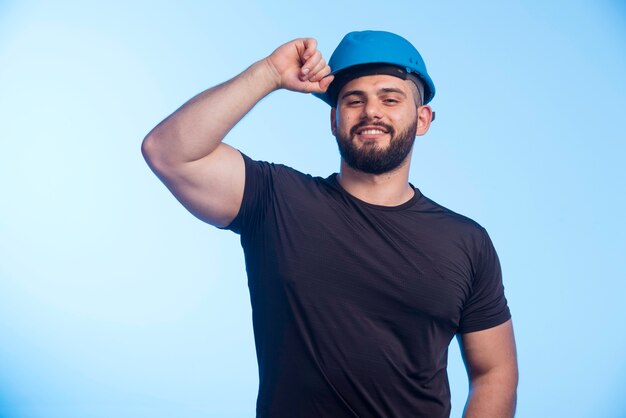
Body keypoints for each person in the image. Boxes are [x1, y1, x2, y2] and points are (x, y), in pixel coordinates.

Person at [142, 30, 518, 418]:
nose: (372, 111)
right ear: (334, 119)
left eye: (390, 99)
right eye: (354, 100)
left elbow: (495, 371)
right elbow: (168, 152)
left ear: (422, 119)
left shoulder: (466, 242)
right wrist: (269, 73)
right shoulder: (276, 200)